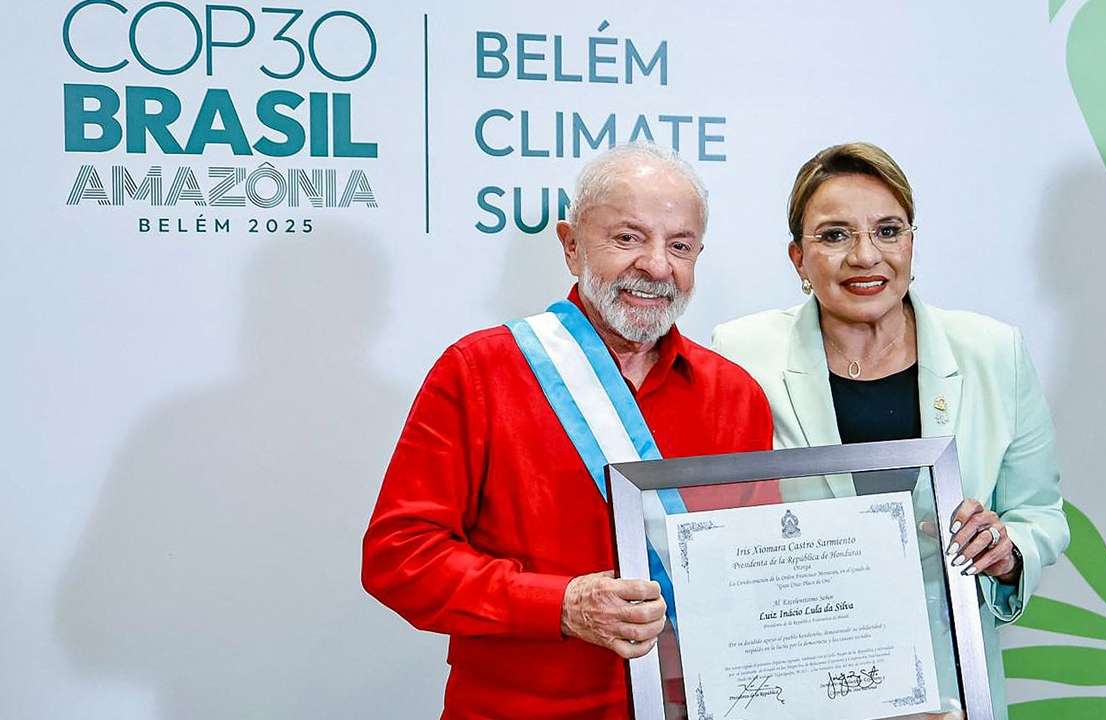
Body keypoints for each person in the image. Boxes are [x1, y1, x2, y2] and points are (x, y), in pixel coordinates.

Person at [362, 143, 776, 720]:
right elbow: (399, 558)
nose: (657, 266)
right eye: (628, 238)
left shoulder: (736, 395)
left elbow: (761, 568)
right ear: (571, 244)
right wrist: (561, 604)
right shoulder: (479, 371)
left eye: (679, 246)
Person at [712, 142, 1069, 720]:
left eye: (887, 230)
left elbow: (1042, 516)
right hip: (797, 679)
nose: (864, 256)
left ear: (911, 243)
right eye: (834, 235)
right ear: (797, 259)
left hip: (951, 676)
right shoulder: (741, 353)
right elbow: (715, 523)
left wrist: (1007, 551)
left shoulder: (992, 352)